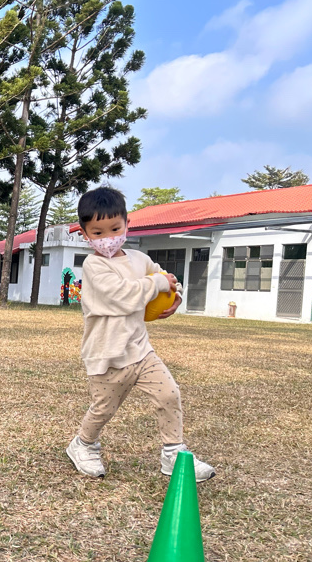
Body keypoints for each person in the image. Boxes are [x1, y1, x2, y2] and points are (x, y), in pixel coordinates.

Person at [65, 186, 216, 482]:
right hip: (107, 353)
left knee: (169, 394)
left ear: (126, 225)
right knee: (103, 409)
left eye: (115, 229)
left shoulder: (139, 259)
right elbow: (122, 296)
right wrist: (157, 284)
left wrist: (175, 296)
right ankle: (83, 444)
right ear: (85, 234)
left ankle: (173, 453)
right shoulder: (94, 265)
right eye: (98, 233)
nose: (108, 238)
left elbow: (166, 279)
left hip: (140, 349)